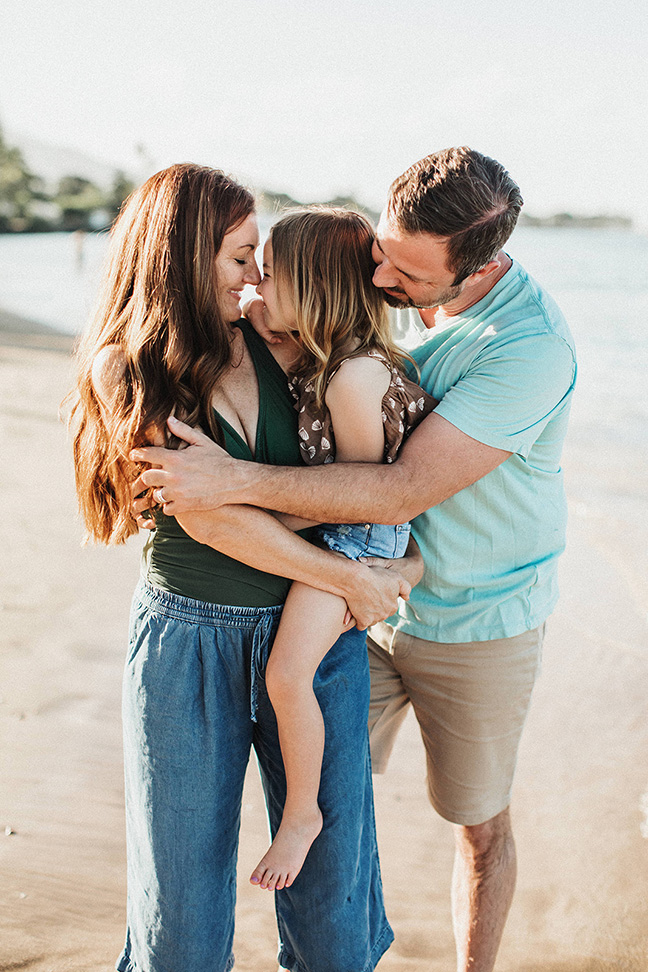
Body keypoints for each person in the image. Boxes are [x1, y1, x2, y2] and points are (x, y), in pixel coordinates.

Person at [130, 147, 578, 972]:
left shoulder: (529, 348)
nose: (379, 274)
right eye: (379, 247)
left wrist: (236, 484)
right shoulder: (391, 297)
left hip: (472, 618)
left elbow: (393, 490)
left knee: (477, 824)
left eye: (403, 270)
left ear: (472, 269)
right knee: (335, 811)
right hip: (367, 613)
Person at [67, 163, 418, 972]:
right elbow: (208, 517)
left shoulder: (278, 340)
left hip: (315, 639)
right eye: (238, 257)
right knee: (181, 912)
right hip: (189, 644)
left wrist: (397, 569)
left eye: (261, 256)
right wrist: (348, 578)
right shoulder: (129, 366)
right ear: (184, 257)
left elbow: (365, 477)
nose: (257, 277)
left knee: (334, 905)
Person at [234, 207, 436, 893]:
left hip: (358, 537)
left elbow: (356, 493)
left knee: (287, 677)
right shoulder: (335, 356)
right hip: (348, 527)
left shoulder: (351, 377)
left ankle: (301, 816)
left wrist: (258, 519)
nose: (257, 280)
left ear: (313, 285)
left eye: (273, 272)